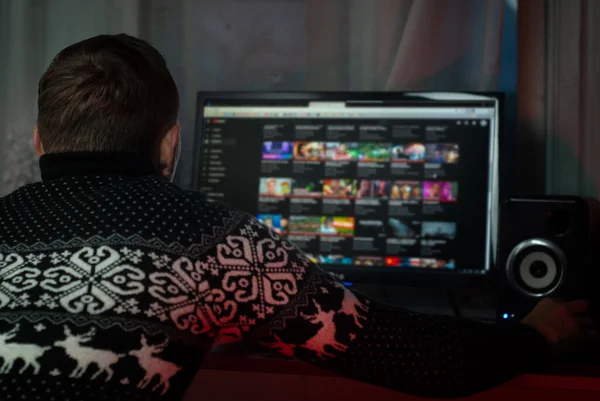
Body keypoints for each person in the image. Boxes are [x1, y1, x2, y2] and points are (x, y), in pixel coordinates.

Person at [0, 34, 593, 401]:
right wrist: (536, 334)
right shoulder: (216, 244)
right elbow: (425, 361)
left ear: (40, 142)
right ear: (169, 146)